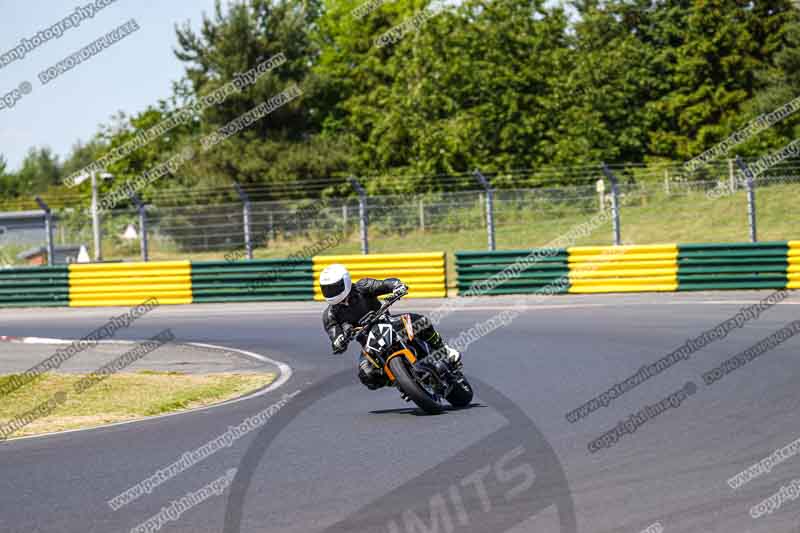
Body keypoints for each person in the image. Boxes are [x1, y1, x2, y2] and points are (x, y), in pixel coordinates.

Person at [320, 263, 461, 390]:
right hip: (369, 344)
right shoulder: (330, 314)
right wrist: (339, 341)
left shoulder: (362, 286)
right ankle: (400, 381)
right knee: (366, 375)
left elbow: (385, 284)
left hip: (388, 322)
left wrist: (397, 286)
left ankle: (443, 350)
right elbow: (335, 337)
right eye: (327, 289)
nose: (331, 292)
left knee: (421, 322)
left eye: (334, 287)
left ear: (346, 281)